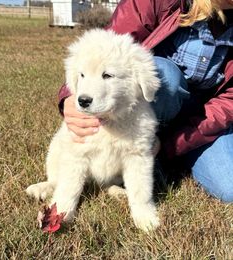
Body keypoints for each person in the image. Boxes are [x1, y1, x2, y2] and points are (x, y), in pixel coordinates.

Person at [58, 0, 233, 203]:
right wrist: (69, 96)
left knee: (229, 186)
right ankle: (132, 157)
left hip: (202, 119)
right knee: (165, 76)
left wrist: (169, 145)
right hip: (148, 107)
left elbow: (228, 104)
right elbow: (103, 50)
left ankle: (168, 156)